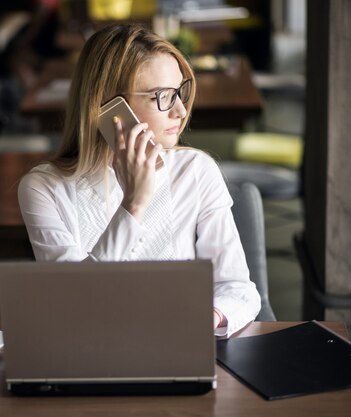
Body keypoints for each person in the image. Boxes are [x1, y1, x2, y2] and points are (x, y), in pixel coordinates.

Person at [17, 24, 261, 337]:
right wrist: (134, 203)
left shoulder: (197, 171)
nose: (181, 111)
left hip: (180, 349)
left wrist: (210, 316)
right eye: (161, 97)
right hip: (90, 358)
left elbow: (239, 289)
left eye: (179, 93)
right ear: (109, 108)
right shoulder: (43, 189)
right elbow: (75, 305)